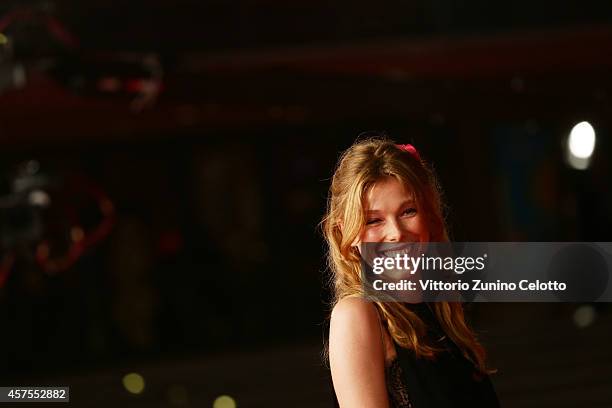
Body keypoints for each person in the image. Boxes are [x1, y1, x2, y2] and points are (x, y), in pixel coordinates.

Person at [321, 136, 499, 407]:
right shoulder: (356, 314)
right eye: (374, 220)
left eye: (408, 211)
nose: (396, 233)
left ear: (428, 215)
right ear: (346, 231)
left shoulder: (439, 311)